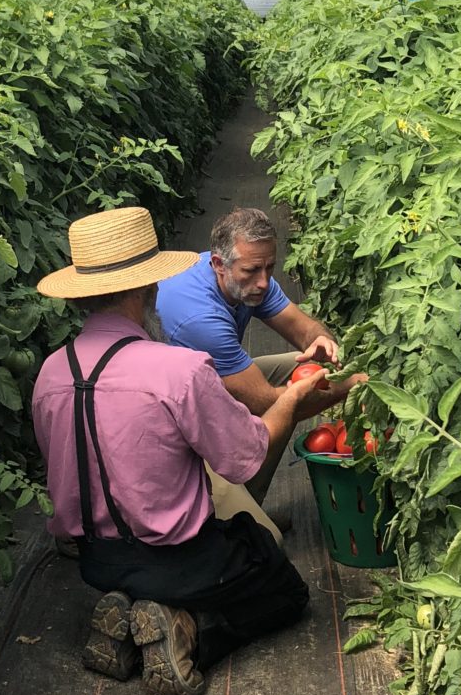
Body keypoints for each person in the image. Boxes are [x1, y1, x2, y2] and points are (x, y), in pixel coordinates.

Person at [32, 206, 328, 695]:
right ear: (150, 288)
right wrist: (294, 402)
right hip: (181, 559)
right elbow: (246, 457)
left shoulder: (50, 373)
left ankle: (125, 617)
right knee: (283, 589)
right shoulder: (179, 371)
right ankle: (186, 625)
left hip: (93, 560)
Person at [156, 207, 365, 506]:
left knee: (306, 368)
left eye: (270, 267)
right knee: (285, 402)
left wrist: (321, 340)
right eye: (253, 271)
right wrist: (352, 384)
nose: (264, 281)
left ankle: (252, 504)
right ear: (218, 264)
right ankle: (246, 517)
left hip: (207, 380)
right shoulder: (201, 319)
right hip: (172, 415)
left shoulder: (247, 272)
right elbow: (268, 402)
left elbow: (301, 326)